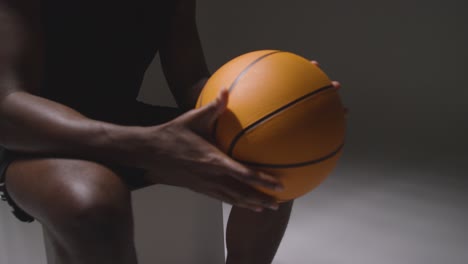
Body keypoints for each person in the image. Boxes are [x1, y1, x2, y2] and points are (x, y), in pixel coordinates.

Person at [0, 0, 341, 263]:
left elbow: (191, 80)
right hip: (34, 132)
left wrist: (282, 99)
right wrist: (144, 146)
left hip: (121, 118)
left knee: (276, 146)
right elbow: (9, 103)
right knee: (92, 204)